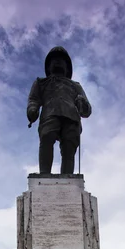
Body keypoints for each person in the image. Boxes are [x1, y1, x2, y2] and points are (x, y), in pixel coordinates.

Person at [27, 46, 92, 174]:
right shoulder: (41, 83)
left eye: (61, 60)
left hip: (71, 117)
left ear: (67, 67)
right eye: (54, 60)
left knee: (69, 148)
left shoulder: (75, 86)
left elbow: (87, 110)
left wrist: (82, 103)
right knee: (46, 138)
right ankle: (44, 176)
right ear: (48, 66)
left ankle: (67, 178)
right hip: (50, 114)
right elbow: (33, 99)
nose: (57, 62)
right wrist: (32, 110)